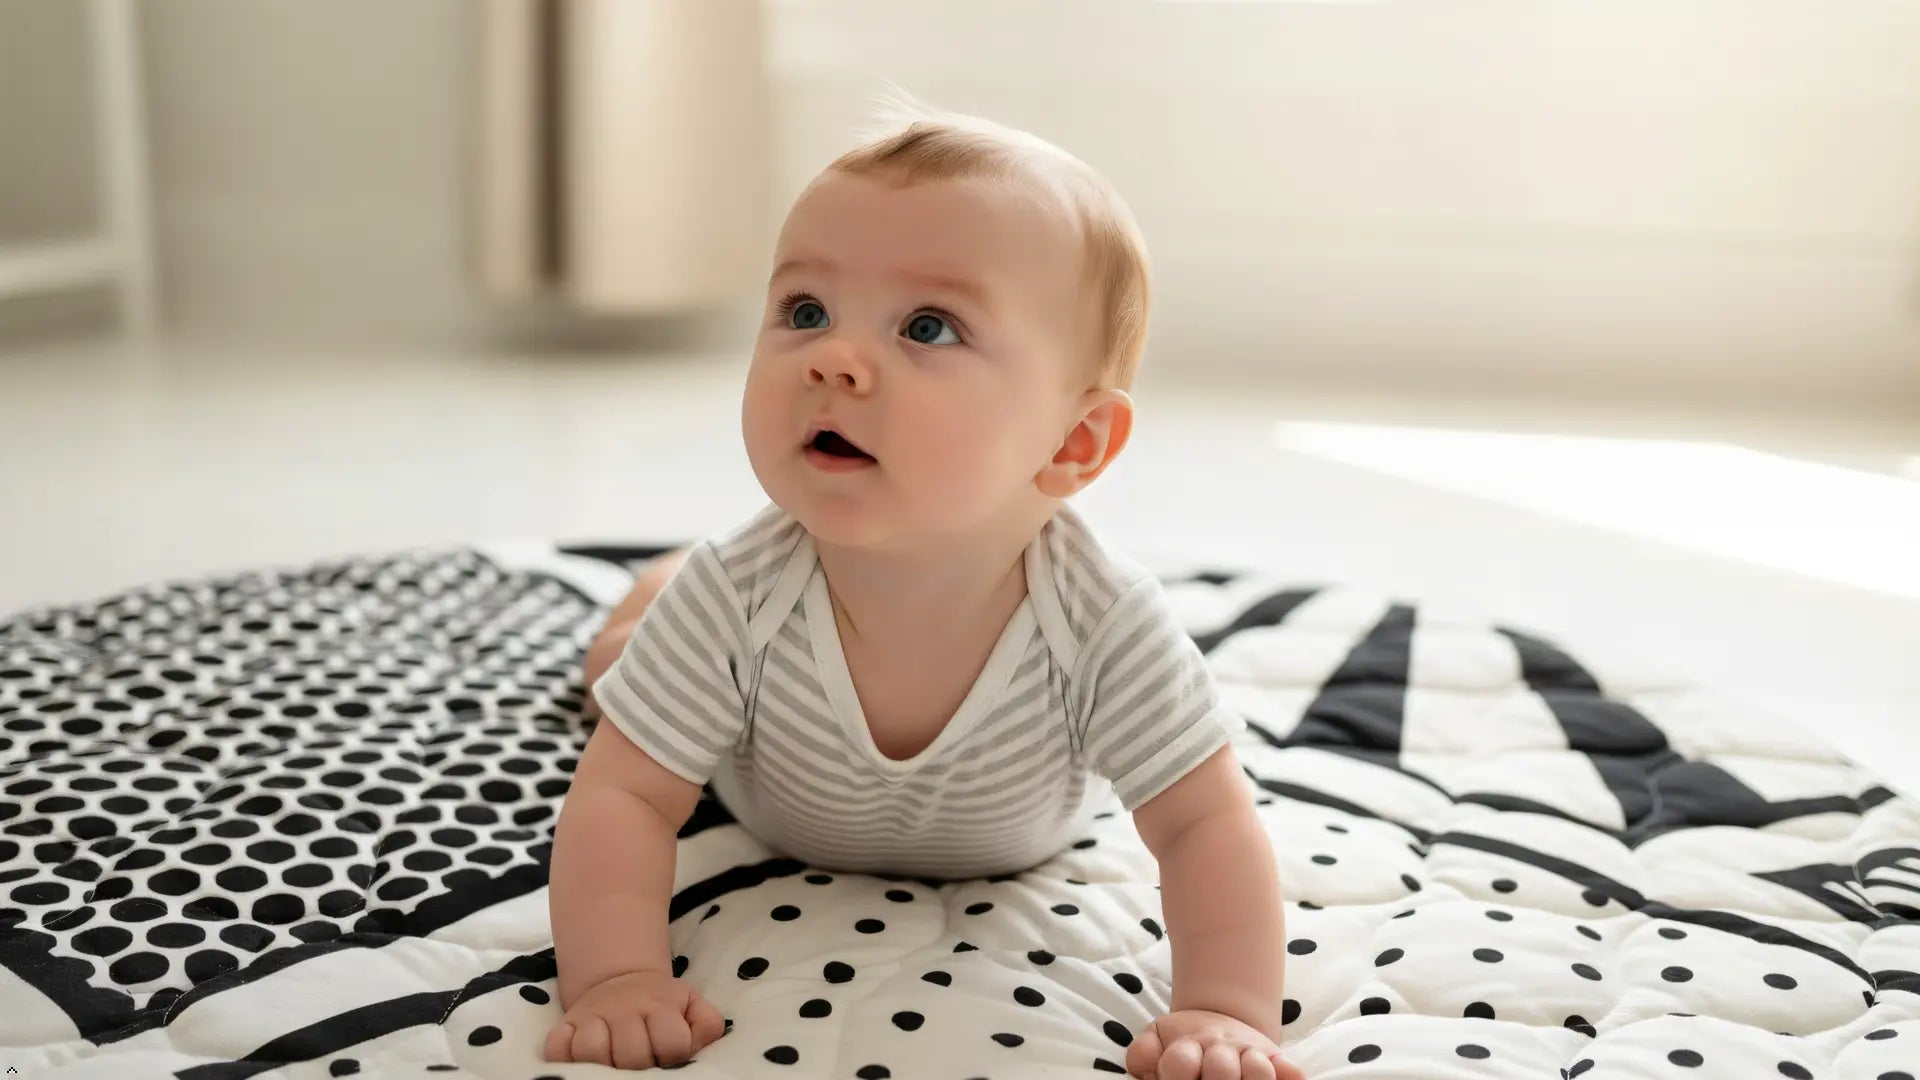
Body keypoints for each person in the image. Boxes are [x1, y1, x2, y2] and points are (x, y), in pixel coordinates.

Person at [544, 103, 1305, 1080]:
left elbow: (1206, 824)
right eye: (805, 310)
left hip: (1018, 829)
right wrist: (616, 981)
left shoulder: (1103, 619)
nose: (831, 357)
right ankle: (640, 601)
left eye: (928, 327)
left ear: (1073, 444)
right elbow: (625, 798)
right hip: (760, 786)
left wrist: (1224, 1010)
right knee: (619, 674)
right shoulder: (735, 593)